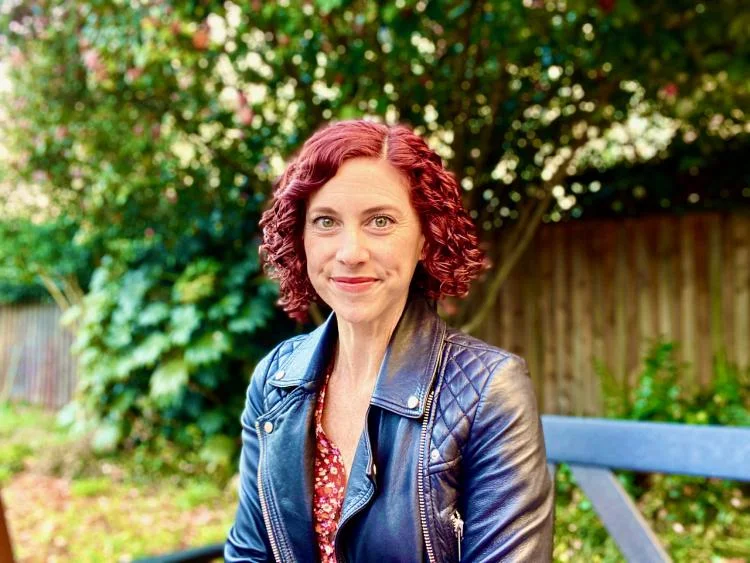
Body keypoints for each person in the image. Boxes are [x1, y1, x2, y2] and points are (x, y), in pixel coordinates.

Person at [225, 119, 553, 562]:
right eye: (326, 221)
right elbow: (250, 555)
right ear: (301, 238)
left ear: (425, 237)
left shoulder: (489, 390)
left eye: (380, 221)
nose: (351, 251)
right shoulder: (275, 380)